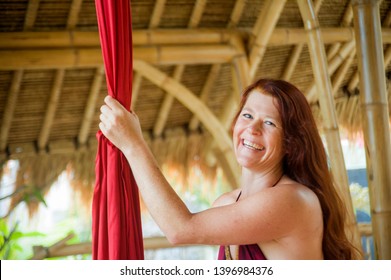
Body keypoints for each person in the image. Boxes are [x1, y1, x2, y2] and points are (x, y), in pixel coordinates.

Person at [99, 78, 361, 260]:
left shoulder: (293, 201)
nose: (253, 129)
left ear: (291, 143)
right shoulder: (225, 203)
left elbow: (179, 229)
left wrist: (133, 145)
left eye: (270, 123)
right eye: (247, 116)